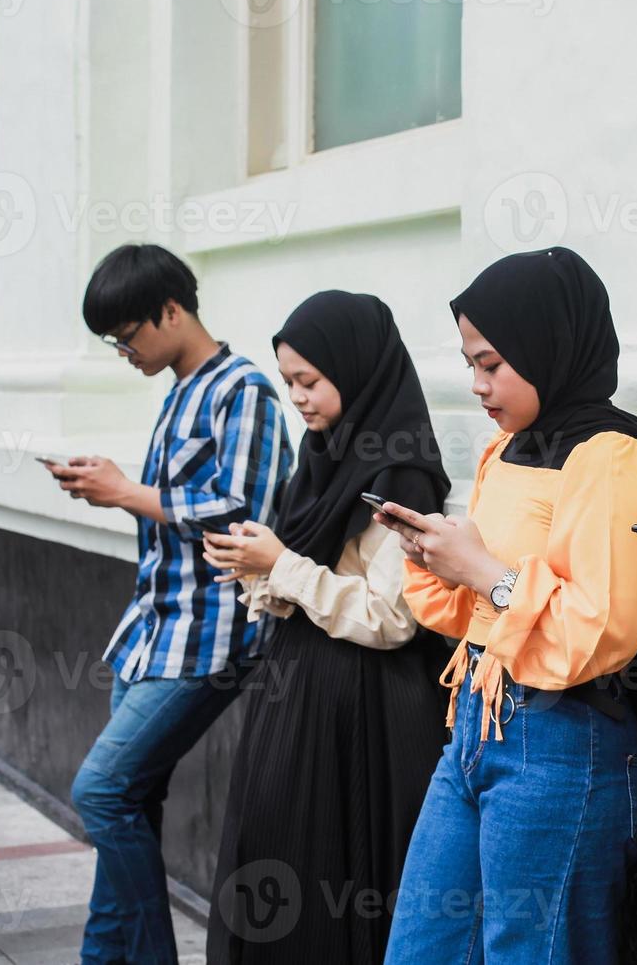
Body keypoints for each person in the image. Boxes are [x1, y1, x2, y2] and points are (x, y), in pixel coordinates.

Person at [377, 247, 637, 964]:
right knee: (422, 946)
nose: (480, 384)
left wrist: (483, 571)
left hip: (564, 741)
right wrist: (436, 558)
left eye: (493, 363)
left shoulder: (612, 457)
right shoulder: (505, 452)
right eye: (470, 365)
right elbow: (468, 615)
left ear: (551, 347)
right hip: (476, 725)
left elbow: (599, 633)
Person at [51, 243, 293, 965]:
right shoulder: (179, 392)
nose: (123, 352)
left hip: (208, 640)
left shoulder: (241, 390)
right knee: (129, 804)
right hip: (152, 633)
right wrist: (116, 482)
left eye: (128, 337)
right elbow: (175, 509)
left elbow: (246, 510)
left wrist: (126, 491)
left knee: (101, 792)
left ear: (171, 311)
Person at [201, 290, 452, 961]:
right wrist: (257, 567)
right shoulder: (322, 457)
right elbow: (309, 578)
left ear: (357, 366)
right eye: (289, 383)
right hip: (305, 698)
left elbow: (392, 615)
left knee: (334, 879)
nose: (299, 398)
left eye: (309, 381)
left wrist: (279, 565)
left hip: (365, 714)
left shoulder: (399, 471)